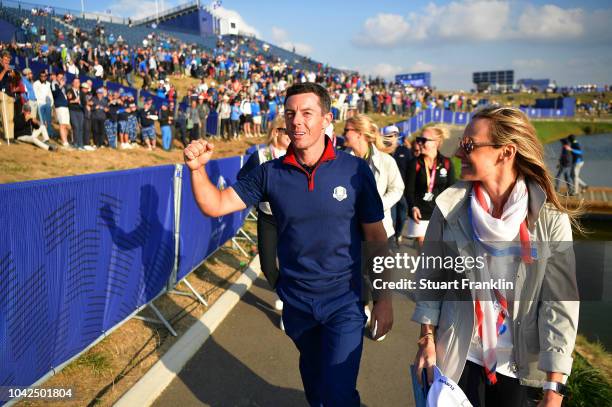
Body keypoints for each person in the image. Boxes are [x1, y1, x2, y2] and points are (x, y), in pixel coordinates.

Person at [183, 82, 392, 406]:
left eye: (307, 113)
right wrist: (197, 171)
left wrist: (383, 299)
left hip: (344, 302)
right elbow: (217, 204)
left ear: (327, 119)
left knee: (338, 394)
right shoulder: (270, 174)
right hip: (297, 306)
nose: (297, 121)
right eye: (291, 113)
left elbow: (376, 238)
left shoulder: (354, 171)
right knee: (316, 388)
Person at [412, 106, 579, 407]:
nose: (459, 153)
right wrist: (426, 337)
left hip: (518, 367)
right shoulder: (450, 208)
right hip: (458, 356)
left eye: (469, 145)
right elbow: (430, 277)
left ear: (506, 152)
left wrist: (554, 388)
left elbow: (560, 306)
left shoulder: (550, 220)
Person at [343, 114, 404, 341]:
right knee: (358, 275)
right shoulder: (342, 160)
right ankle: (364, 310)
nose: (344, 133)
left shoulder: (386, 161)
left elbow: (397, 188)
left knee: (378, 275)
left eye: (348, 129)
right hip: (352, 232)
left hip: (380, 230)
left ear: (359, 133)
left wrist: (376, 208)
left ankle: (381, 315)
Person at [237, 117, 291, 328]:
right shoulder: (261, 156)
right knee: (268, 265)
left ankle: (289, 306)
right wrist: (258, 196)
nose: (290, 134)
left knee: (289, 263)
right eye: (286, 130)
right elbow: (242, 180)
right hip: (267, 217)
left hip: (291, 219)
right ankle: (285, 294)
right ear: (276, 132)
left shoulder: (296, 156)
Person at [406, 125, 456, 248]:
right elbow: (408, 191)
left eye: (424, 140)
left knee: (436, 254)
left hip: (439, 215)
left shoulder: (447, 163)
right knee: (425, 251)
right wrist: (412, 207)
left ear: (436, 143)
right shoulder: (415, 163)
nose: (419, 143)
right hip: (420, 215)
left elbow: (452, 191)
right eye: (419, 140)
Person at [382, 125, 413, 245]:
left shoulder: (404, 151)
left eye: (395, 135)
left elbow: (410, 170)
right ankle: (391, 238)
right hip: (387, 191)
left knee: (402, 213)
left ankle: (398, 234)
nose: (392, 137)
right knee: (392, 216)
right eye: (390, 135)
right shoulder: (382, 152)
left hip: (401, 190)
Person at [50, 71, 71, 148]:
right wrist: (61, 86)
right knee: (62, 125)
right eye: (60, 77)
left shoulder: (62, 86)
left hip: (65, 106)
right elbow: (54, 93)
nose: (61, 79)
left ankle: (66, 141)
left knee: (66, 125)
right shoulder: (54, 84)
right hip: (60, 106)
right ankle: (64, 142)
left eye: (62, 77)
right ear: (56, 77)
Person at [33, 70, 55, 138]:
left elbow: (49, 94)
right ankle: (44, 134)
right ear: (39, 76)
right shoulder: (36, 83)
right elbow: (35, 94)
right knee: (42, 120)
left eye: (44, 76)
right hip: (39, 104)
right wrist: (38, 103)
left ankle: (50, 133)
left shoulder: (48, 84)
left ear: (46, 77)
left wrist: (51, 103)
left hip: (47, 104)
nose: (43, 77)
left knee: (48, 120)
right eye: (41, 76)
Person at [1, 51, 16, 142]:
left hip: (10, 94)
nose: (7, 61)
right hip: (2, 93)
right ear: (1, 59)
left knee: (11, 117)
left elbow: (13, 82)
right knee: (5, 115)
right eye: (5, 59)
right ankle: (7, 136)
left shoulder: (10, 68)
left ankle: (11, 136)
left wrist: (13, 76)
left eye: (8, 60)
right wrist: (4, 70)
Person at [66, 77, 85, 150]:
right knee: (76, 127)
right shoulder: (69, 91)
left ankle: (81, 144)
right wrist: (75, 101)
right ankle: (75, 143)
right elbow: (68, 101)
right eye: (75, 82)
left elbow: (84, 102)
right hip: (73, 110)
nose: (77, 84)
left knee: (80, 128)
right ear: (72, 83)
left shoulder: (82, 92)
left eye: (78, 82)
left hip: (80, 111)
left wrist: (82, 103)